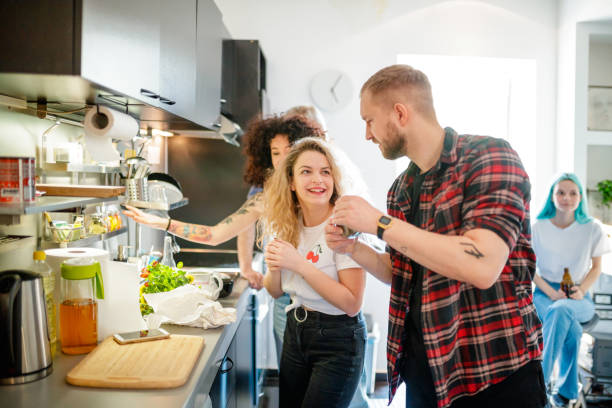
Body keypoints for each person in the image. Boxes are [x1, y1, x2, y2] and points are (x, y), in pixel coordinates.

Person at [325, 64, 547, 408]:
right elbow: (402, 272)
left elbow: (482, 265)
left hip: (494, 373)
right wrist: (353, 247)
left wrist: (379, 223)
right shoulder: (402, 188)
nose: (367, 134)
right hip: (425, 371)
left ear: (399, 113)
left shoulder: (489, 157)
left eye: (368, 120)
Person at [261, 137, 367, 408]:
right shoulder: (287, 223)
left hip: (338, 340)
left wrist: (298, 264)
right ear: (292, 183)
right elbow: (275, 290)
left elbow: (352, 303)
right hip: (295, 331)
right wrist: (275, 268)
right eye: (306, 172)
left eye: (325, 171)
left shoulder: (343, 227)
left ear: (335, 179)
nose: (317, 180)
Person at [532, 173, 611, 408]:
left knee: (562, 311)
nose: (566, 198)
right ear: (552, 197)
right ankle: (565, 394)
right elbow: (529, 268)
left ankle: (540, 386)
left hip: (579, 296)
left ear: (580, 198)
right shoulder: (538, 227)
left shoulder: (592, 229)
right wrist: (550, 291)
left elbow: (596, 267)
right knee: (570, 327)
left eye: (572, 193)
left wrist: (580, 290)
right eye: (561, 193)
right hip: (545, 294)